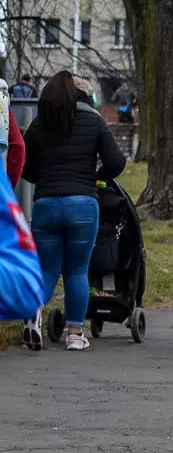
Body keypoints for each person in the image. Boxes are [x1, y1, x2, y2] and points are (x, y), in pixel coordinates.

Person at [21, 71, 126, 350]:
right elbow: (116, 162)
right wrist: (96, 176)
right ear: (85, 96)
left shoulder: (39, 123)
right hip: (83, 205)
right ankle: (75, 335)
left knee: (47, 269)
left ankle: (33, 312)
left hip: (46, 205)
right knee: (77, 271)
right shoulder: (94, 120)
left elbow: (26, 166)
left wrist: (44, 179)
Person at [0, 170, 45, 327]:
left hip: (46, 197)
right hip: (83, 198)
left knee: (51, 269)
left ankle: (36, 315)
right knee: (76, 271)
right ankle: (75, 331)